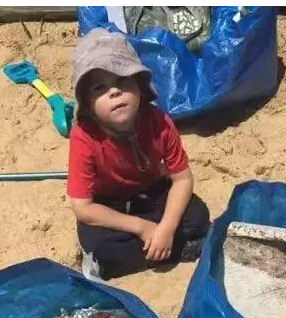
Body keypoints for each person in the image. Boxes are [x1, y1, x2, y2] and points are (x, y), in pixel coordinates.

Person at [67, 28, 210, 280]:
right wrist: (143, 228)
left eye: (123, 81)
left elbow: (182, 179)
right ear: (87, 106)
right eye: (100, 87)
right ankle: (177, 250)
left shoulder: (159, 121)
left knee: (198, 217)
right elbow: (83, 208)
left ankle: (156, 249)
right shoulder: (84, 136)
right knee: (98, 247)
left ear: (140, 88)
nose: (114, 92)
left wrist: (166, 228)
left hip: (150, 192)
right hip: (109, 204)